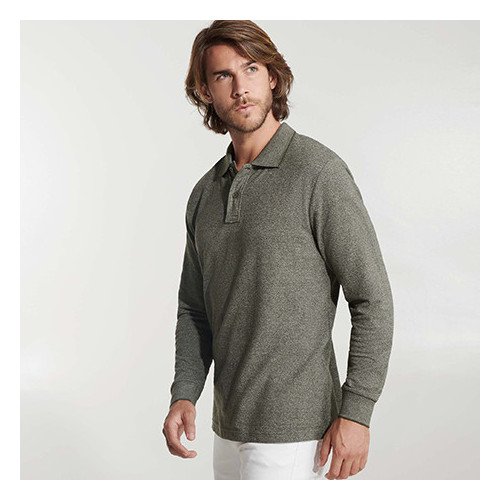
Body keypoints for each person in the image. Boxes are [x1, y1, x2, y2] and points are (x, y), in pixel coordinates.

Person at [162, 20, 394, 480]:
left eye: (251, 69)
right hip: (227, 428)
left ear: (272, 76)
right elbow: (194, 309)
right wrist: (184, 391)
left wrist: (357, 411)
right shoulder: (205, 194)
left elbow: (372, 298)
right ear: (206, 91)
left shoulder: (318, 173)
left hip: (297, 434)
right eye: (223, 75)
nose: (240, 88)